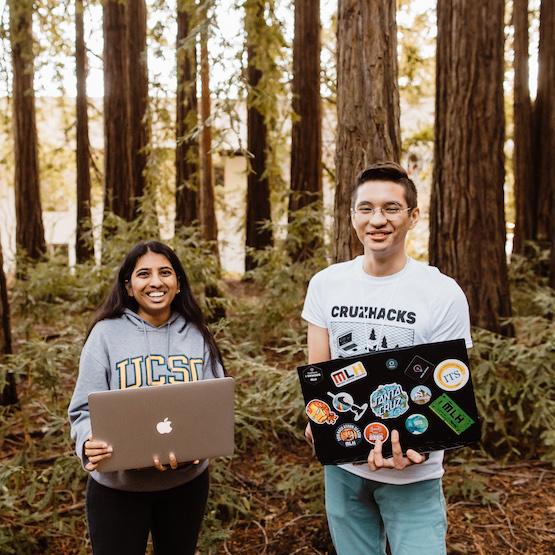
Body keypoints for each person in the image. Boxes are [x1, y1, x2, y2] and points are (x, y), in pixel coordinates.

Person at [302, 162, 472, 555]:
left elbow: (450, 390)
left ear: (413, 217)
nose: (377, 219)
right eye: (366, 208)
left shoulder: (442, 293)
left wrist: (423, 442)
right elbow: (319, 376)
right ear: (352, 216)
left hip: (414, 473)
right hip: (344, 471)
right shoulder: (326, 283)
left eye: (391, 208)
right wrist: (317, 421)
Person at [68, 240, 225, 555]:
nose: (155, 282)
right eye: (144, 274)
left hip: (186, 487)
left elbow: (216, 405)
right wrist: (87, 442)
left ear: (178, 284)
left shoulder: (197, 334)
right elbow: (82, 411)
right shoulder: (105, 334)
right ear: (128, 286)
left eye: (165, 272)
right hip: (117, 489)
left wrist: (199, 447)